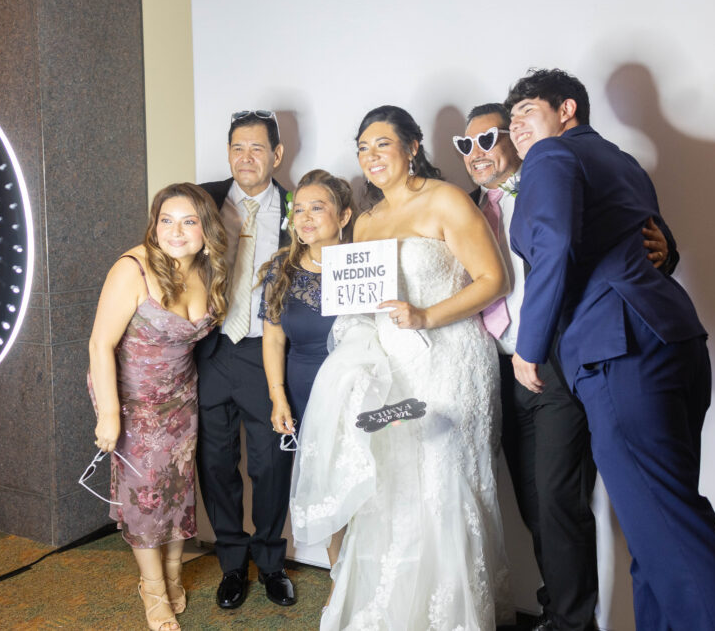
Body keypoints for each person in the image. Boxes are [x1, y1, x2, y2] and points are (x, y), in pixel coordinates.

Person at [505, 68, 715, 630]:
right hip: (675, 340)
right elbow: (652, 246)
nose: (515, 126)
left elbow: (554, 244)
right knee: (656, 530)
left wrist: (529, 346)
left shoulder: (551, 156)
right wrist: (668, 250)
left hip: (618, 349)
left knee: (666, 526)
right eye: (511, 119)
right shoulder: (623, 163)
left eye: (526, 111)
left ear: (567, 109)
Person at [291, 105, 514, 630]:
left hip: (450, 361)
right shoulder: (366, 222)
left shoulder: (446, 199)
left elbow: (494, 280)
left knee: (442, 481)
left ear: (412, 147)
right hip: (393, 368)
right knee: (393, 484)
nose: (371, 157)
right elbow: (360, 304)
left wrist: (426, 316)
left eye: (382, 144)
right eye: (362, 149)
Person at [456, 104, 673, 631]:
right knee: (533, 503)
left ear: (515, 137)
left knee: (559, 497)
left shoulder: (556, 182)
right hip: (494, 367)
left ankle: (574, 622)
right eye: (465, 145)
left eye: (486, 139)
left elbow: (617, 232)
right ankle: (559, 610)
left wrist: (666, 249)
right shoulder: (461, 208)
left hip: (554, 359)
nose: (475, 153)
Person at [88, 182, 229, 631]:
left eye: (189, 221)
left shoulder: (207, 268)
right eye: (166, 220)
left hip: (181, 395)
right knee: (145, 498)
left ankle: (172, 574)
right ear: (154, 225)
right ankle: (152, 588)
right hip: (133, 401)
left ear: (206, 229)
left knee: (176, 489)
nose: (176, 231)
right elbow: (99, 344)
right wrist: (109, 414)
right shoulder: (132, 269)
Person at [195, 110, 296, 610]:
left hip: (267, 352)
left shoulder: (299, 207)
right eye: (237, 147)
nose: (246, 158)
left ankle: (272, 563)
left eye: (257, 148)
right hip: (211, 349)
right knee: (215, 463)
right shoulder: (202, 200)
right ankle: (232, 564)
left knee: (271, 462)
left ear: (277, 155)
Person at [257, 169, 353, 601]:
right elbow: (274, 338)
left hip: (358, 389)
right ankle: (340, 581)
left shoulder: (365, 261)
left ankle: (369, 582)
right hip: (303, 388)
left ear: (344, 215)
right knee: (327, 486)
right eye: (299, 210)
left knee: (361, 480)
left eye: (318, 207)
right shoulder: (282, 267)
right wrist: (278, 396)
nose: (306, 218)